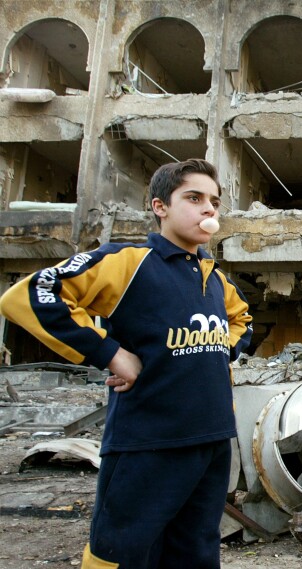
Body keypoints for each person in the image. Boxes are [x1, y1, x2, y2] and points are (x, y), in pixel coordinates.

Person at [0, 159, 252, 568]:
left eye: (215, 202)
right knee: (121, 553)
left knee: (197, 552)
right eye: (194, 198)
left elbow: (243, 320)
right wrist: (112, 354)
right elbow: (31, 294)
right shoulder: (128, 262)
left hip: (212, 441)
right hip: (146, 443)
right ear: (160, 207)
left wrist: (218, 350)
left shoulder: (215, 278)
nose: (209, 210)